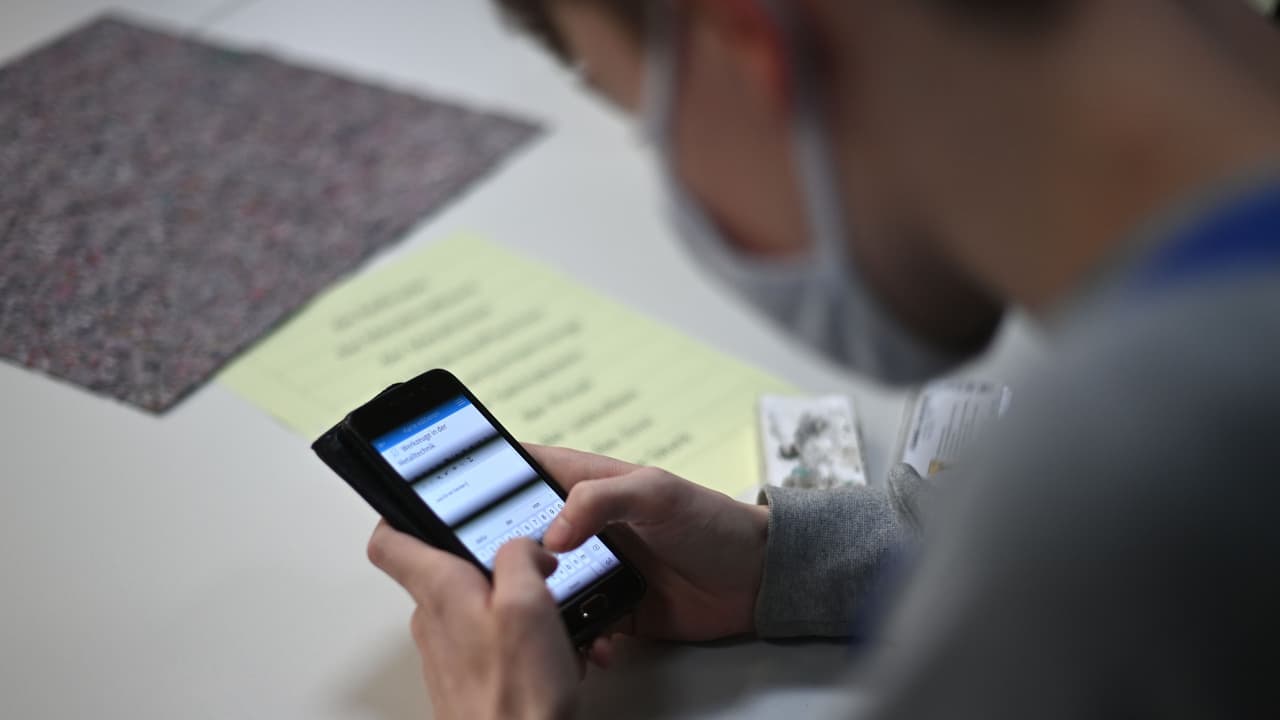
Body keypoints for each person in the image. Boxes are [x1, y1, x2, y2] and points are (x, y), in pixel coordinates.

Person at [363, 1, 1280, 717]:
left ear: (747, 40)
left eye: (648, 121)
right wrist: (790, 563)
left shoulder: (1136, 479)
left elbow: (1122, 553)